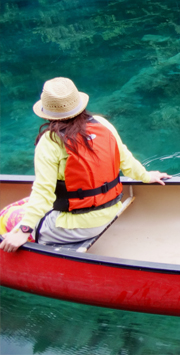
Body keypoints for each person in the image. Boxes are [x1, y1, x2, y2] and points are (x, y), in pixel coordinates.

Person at [0, 77, 170, 253]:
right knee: (27, 203)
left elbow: (43, 191)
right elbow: (125, 159)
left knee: (7, 216)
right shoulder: (102, 124)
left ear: (47, 112)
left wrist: (24, 230)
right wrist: (146, 176)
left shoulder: (50, 141)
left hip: (75, 227)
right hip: (111, 212)